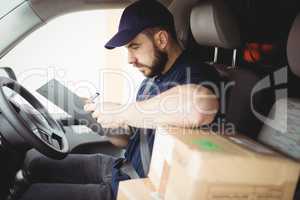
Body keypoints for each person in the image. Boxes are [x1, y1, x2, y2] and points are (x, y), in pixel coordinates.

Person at [19, 1, 221, 200]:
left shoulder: (196, 73)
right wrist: (101, 120)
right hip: (122, 168)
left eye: (135, 47)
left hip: (143, 189)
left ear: (161, 39)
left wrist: (121, 112)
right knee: (36, 164)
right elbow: (130, 138)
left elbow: (200, 106)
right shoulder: (152, 79)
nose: (130, 59)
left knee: (34, 195)